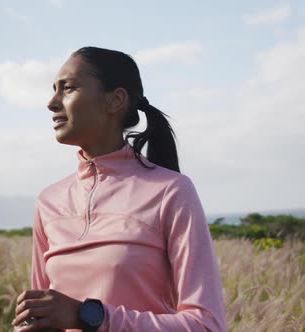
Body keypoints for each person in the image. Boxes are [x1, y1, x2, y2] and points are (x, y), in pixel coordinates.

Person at [12, 46, 227, 332]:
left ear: (115, 100)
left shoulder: (171, 192)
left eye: (68, 88)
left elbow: (206, 325)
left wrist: (90, 316)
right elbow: (43, 319)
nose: (52, 103)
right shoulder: (49, 201)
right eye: (54, 90)